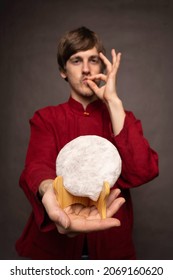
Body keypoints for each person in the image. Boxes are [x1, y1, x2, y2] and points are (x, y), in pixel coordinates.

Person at [16, 26, 159, 260]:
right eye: (76, 60)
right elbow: (36, 166)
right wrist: (48, 191)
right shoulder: (46, 117)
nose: (86, 69)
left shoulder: (122, 117)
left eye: (93, 60)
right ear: (63, 70)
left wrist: (113, 101)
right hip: (52, 253)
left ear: (103, 67)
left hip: (111, 251)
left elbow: (143, 171)